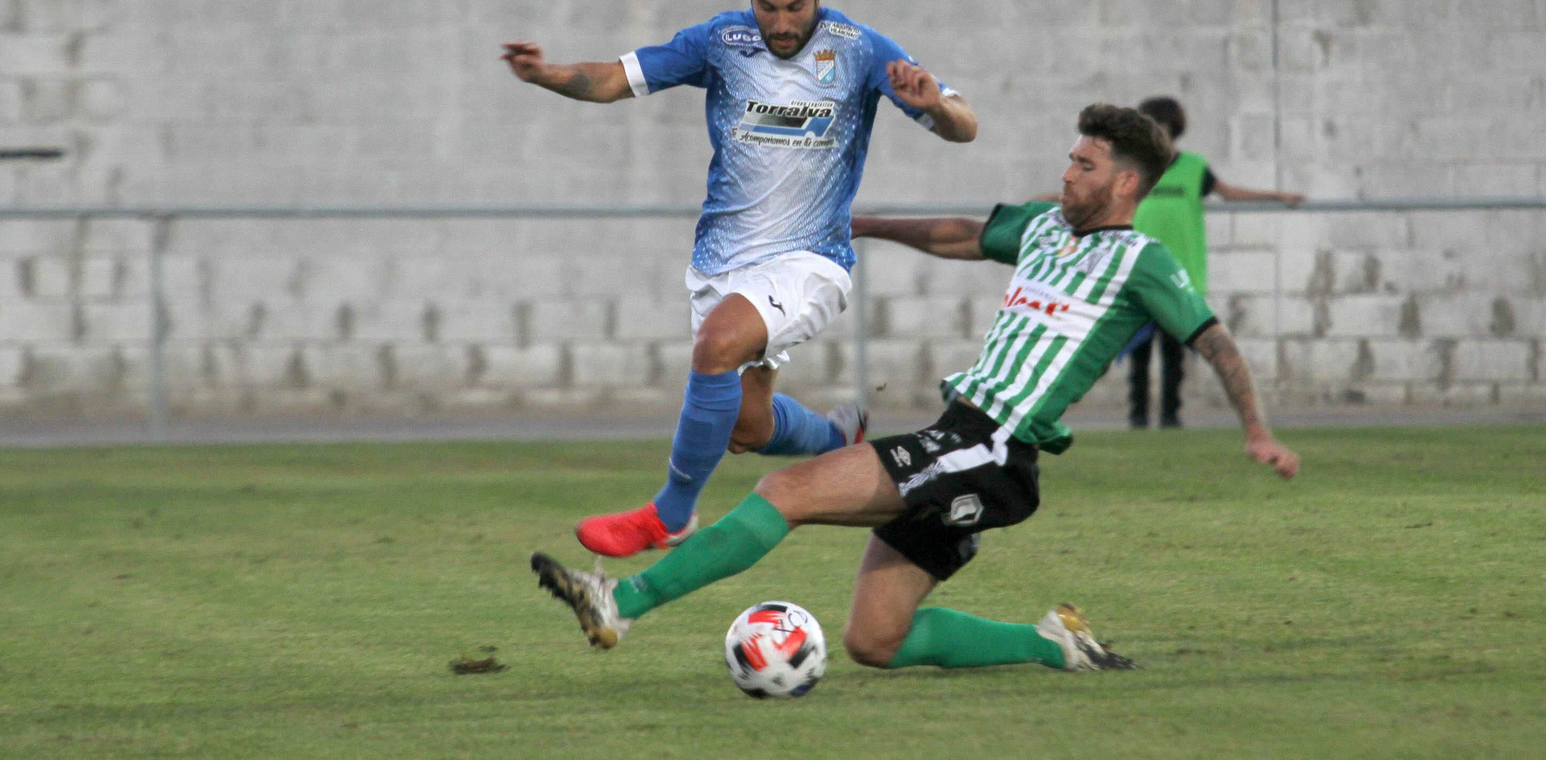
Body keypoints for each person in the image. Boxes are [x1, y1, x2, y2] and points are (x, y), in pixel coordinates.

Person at [530, 104, 1300, 676]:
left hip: (992, 446)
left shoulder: (1143, 262)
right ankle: (1055, 644)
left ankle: (620, 604)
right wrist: (859, 223)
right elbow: (960, 234)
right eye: (1069, 158)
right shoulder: (1040, 227)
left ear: (1126, 182)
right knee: (875, 642)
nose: (1067, 172)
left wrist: (1256, 430)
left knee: (786, 488)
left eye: (1085, 165)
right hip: (966, 439)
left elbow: (1216, 342)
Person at [502, 0, 977, 558]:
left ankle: (670, 514)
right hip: (723, 263)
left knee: (717, 343)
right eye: (766, 6)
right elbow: (614, 78)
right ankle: (838, 440)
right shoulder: (721, 41)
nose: (780, 24)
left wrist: (939, 105)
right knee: (746, 427)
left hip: (811, 259)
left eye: (794, 7)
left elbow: (963, 126)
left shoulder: (861, 50)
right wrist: (543, 75)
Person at [1126, 96, 1304, 429]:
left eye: (1162, 129)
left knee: (1174, 355)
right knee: (1137, 352)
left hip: (1180, 275)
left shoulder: (1194, 168)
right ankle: (1137, 418)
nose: (1157, 136)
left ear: (1174, 131)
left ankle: (1170, 417)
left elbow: (1229, 192)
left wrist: (1277, 196)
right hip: (1138, 274)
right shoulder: (1133, 169)